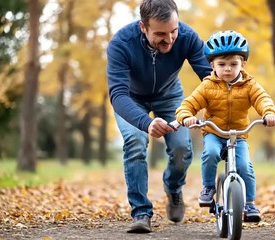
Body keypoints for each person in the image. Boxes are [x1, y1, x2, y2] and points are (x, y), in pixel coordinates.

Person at [106, 0, 212, 234]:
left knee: (182, 148)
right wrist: (146, 122)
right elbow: (118, 94)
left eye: (174, 31)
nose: (170, 39)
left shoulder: (187, 37)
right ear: (143, 27)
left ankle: (173, 189)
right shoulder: (121, 44)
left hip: (170, 96)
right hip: (131, 100)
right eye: (161, 34)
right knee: (135, 142)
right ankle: (141, 212)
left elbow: (209, 77)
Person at [175, 30, 275, 222]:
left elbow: (262, 99)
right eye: (222, 65)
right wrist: (186, 116)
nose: (228, 69)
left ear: (243, 64)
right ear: (212, 65)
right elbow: (188, 104)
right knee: (211, 153)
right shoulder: (207, 86)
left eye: (233, 64)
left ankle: (249, 204)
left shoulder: (249, 85)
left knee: (244, 166)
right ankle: (208, 188)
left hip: (239, 134)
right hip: (214, 132)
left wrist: (269, 113)